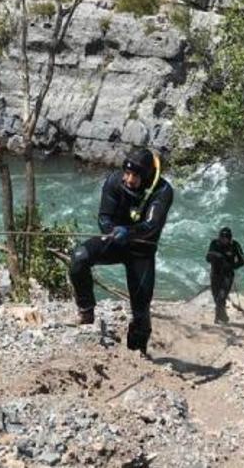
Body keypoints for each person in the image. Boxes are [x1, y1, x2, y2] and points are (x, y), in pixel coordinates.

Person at [68, 147, 173, 355]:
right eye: (127, 173)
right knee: (79, 258)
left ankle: (137, 353)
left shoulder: (162, 191)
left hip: (142, 250)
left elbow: (151, 226)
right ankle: (86, 311)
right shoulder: (114, 181)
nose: (129, 179)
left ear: (146, 176)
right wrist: (110, 231)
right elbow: (104, 217)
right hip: (115, 241)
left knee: (141, 311)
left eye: (135, 176)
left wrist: (129, 232)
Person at [205, 227, 244, 324]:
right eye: (222, 238)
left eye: (226, 238)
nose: (223, 240)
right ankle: (222, 316)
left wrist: (232, 266)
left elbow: (242, 260)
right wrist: (216, 255)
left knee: (222, 296)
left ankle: (218, 318)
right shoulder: (214, 243)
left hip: (227, 274)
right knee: (216, 297)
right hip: (215, 273)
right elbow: (207, 258)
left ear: (229, 238)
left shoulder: (235, 245)